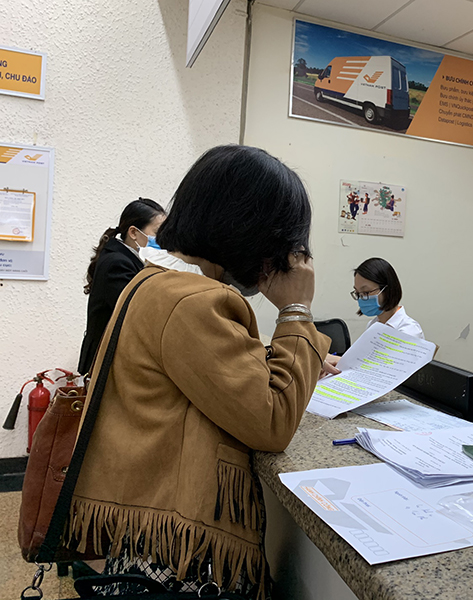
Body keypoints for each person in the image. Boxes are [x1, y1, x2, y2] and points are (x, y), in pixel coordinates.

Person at [66, 145, 330, 597]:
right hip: (183, 552)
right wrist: (296, 309)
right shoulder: (192, 299)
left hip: (149, 529)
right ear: (250, 231)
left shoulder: (157, 280)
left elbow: (204, 373)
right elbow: (272, 421)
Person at [77, 198, 166, 375]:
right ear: (133, 232)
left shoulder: (127, 258)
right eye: (158, 233)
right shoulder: (117, 263)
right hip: (106, 363)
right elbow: (135, 312)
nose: (162, 240)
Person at [323, 257, 423, 375]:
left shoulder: (409, 331)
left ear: (387, 290)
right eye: (357, 293)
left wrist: (339, 361)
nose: (361, 299)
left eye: (366, 293)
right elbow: (364, 360)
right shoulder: (373, 325)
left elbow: (390, 371)